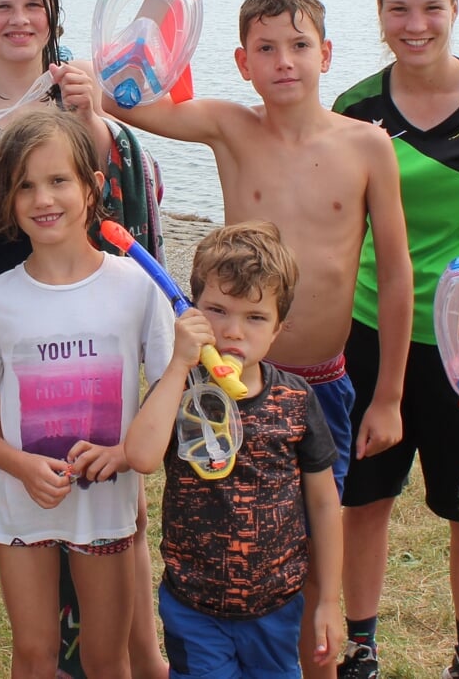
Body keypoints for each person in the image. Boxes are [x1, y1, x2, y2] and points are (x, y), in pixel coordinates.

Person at [66, 0, 413, 679]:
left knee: (316, 558)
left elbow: (401, 271)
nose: (284, 61)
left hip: (320, 381)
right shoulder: (229, 126)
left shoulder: (368, 145)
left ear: (327, 53)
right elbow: (124, 96)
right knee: (224, 541)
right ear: (241, 60)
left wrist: (389, 395)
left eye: (299, 45)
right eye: (265, 48)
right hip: (226, 382)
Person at [0, 0, 168, 678]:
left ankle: (135, 653)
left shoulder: (81, 95)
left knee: (114, 499)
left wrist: (94, 114)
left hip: (85, 297)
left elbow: (115, 208)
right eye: (2, 4)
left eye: (34, 4)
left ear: (53, 14)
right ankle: (55, 649)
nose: (19, 18)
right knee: (35, 483)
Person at [328, 0, 459, 679]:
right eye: (400, 9)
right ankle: (361, 646)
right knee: (365, 497)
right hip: (373, 327)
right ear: (379, 12)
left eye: (431, 9)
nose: (416, 26)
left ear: (455, 8)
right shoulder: (356, 105)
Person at [0, 109, 174, 679]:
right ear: (8, 198)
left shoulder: (135, 288)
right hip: (22, 509)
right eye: (24, 185)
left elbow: (169, 397)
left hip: (107, 507)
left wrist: (123, 455)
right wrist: (21, 466)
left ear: (91, 187)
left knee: (107, 657)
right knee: (33, 656)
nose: (42, 198)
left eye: (58, 181)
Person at [127, 221, 343, 678]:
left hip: (277, 609)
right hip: (194, 607)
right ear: (193, 311)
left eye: (255, 317)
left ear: (279, 327)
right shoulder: (181, 390)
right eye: (217, 311)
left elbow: (324, 504)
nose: (233, 331)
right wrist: (177, 365)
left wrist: (327, 601)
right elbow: (142, 457)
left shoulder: (297, 401)